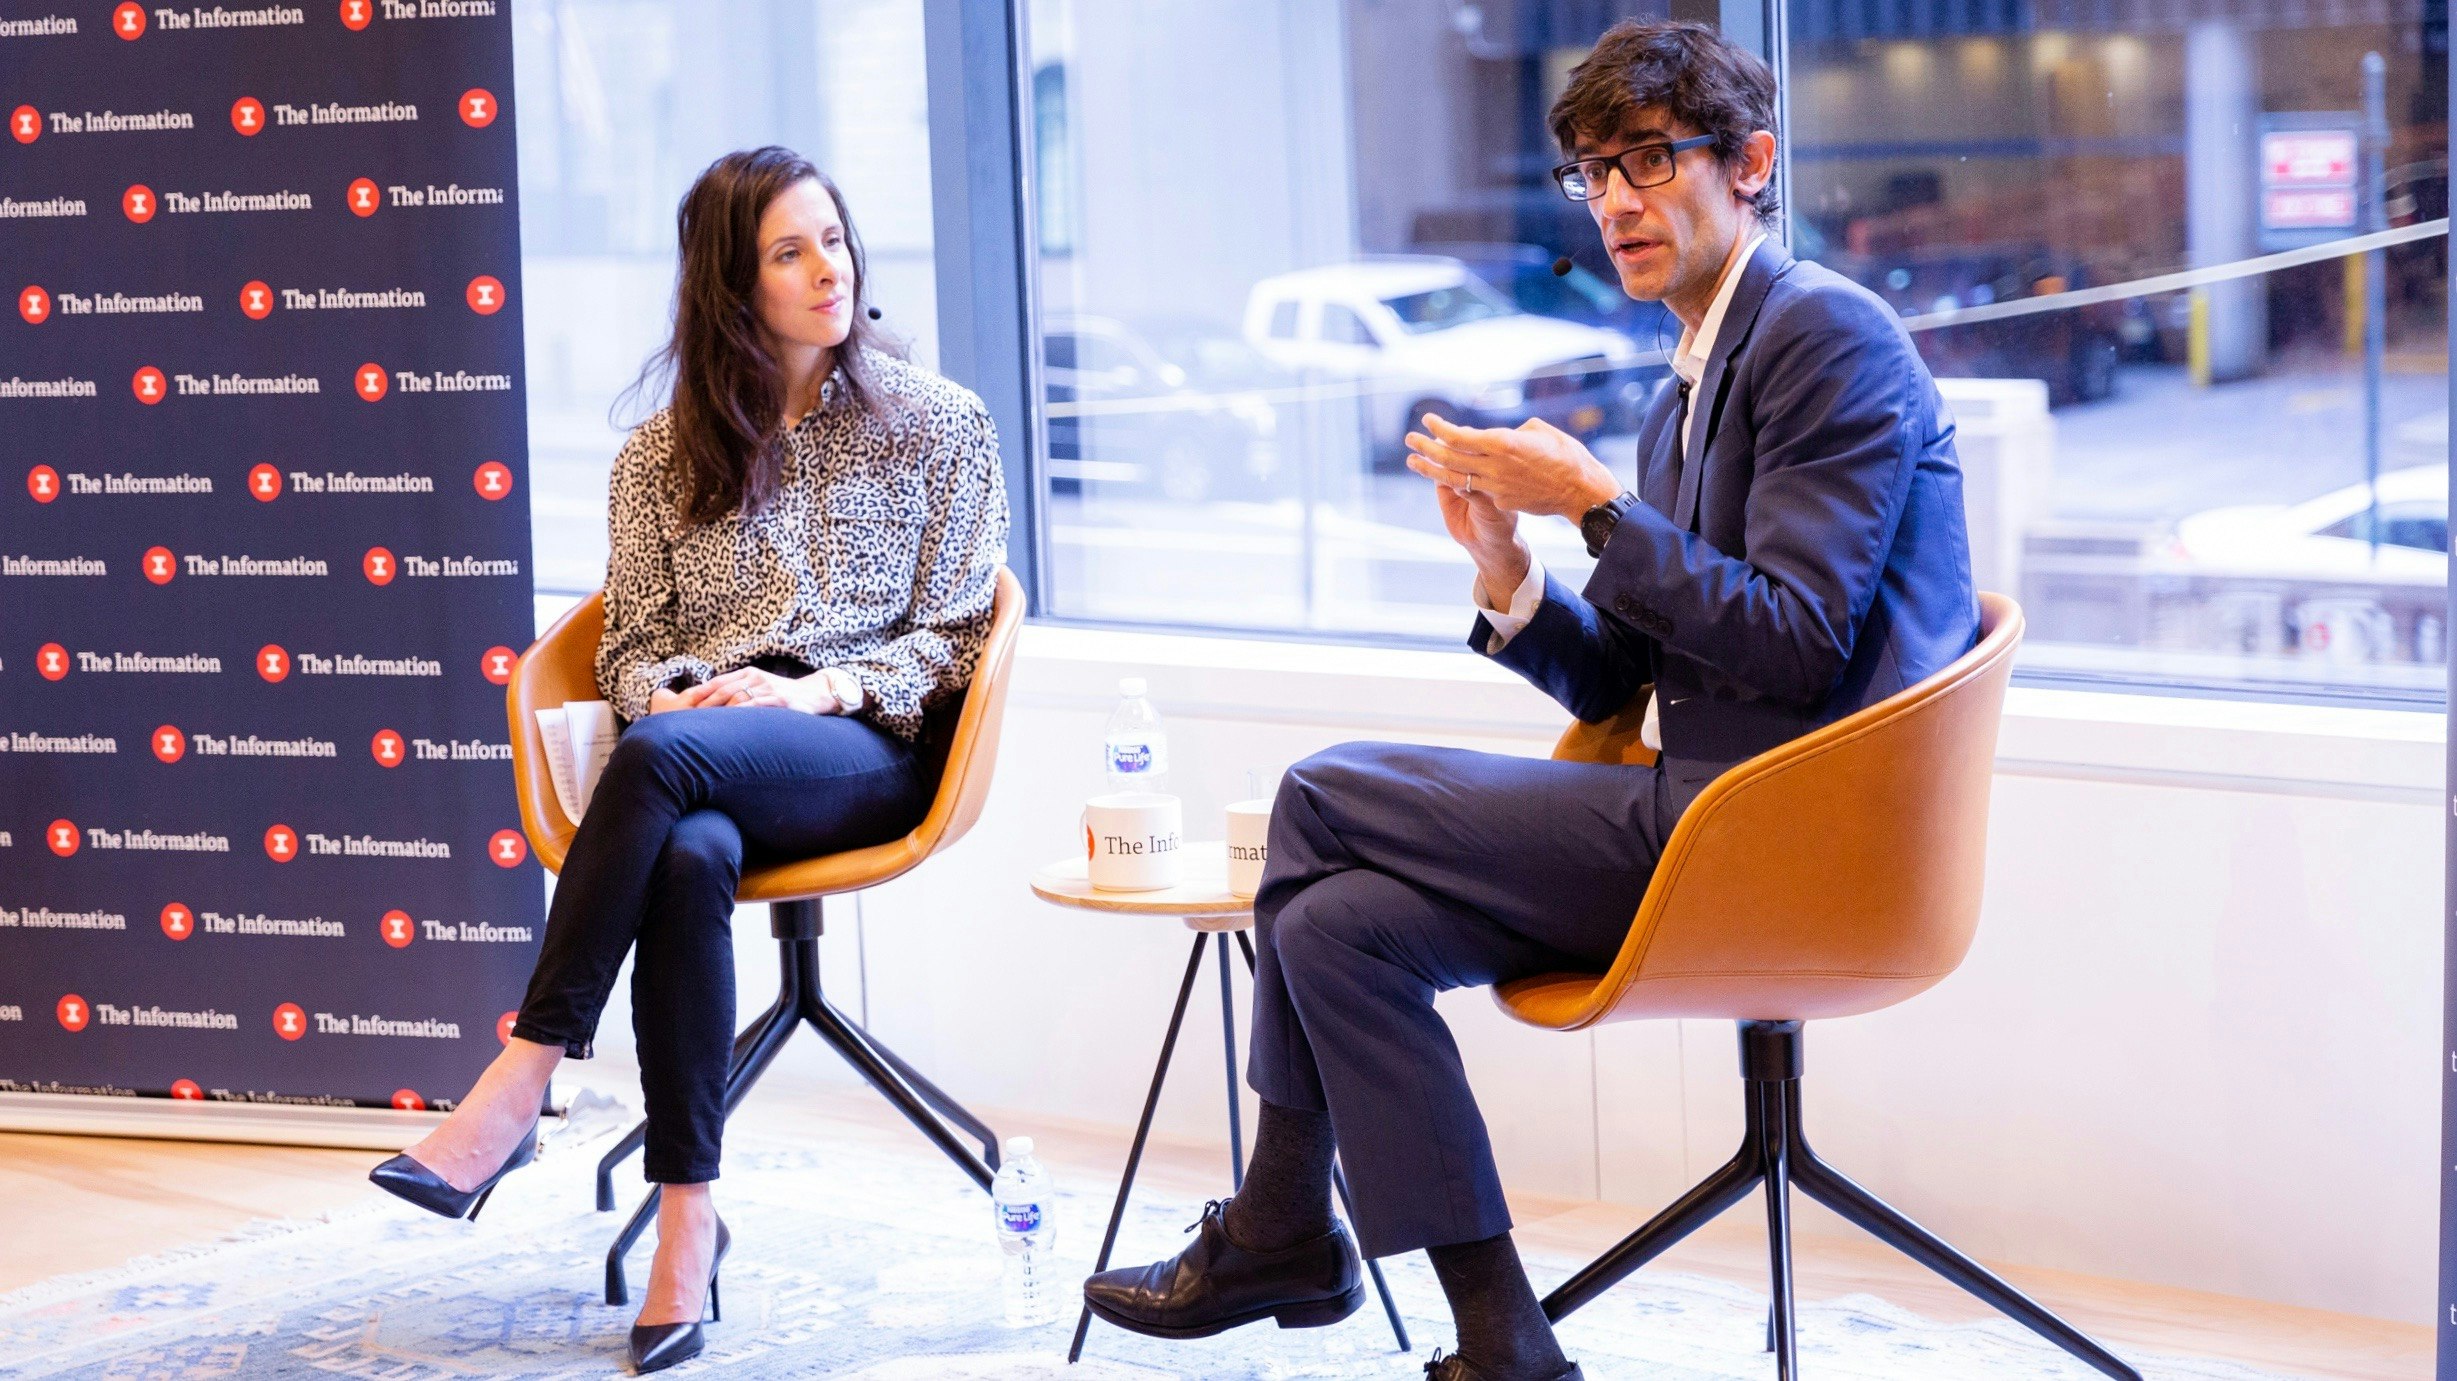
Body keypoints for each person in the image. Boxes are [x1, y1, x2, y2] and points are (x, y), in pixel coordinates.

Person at [1082, 20, 1978, 1381]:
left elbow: (1797, 646)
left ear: (1750, 164)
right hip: (1698, 810)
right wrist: (1511, 572)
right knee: (1331, 928)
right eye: (1591, 172)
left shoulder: (1823, 335)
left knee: (1319, 792)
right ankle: (1502, 1340)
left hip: (1786, 830)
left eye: (1648, 160)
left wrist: (1599, 506)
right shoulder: (1684, 397)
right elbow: (1626, 676)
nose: (1614, 200)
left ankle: (1279, 1225)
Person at [367, 146, 1008, 1375]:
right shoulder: (659, 457)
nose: (829, 269)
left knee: (663, 763)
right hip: (702, 754)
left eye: (834, 239)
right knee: (685, 854)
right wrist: (678, 694)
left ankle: (520, 1078)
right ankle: (687, 1225)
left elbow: (959, 633)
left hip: (864, 741)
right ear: (731, 283)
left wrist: (810, 687)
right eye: (789, 252)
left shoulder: (941, 424)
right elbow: (626, 651)